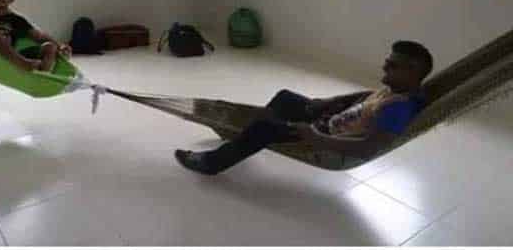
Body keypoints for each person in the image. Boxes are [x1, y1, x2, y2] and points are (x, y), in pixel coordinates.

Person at [175, 40, 433, 175]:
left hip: (326, 139)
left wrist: (315, 137)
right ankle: (247, 138)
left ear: (412, 71)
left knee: (264, 127)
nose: (384, 67)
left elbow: (368, 148)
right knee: (286, 98)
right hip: (328, 119)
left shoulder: (398, 109)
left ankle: (211, 163)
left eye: (392, 65)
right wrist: (330, 101)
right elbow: (367, 95)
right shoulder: (397, 88)